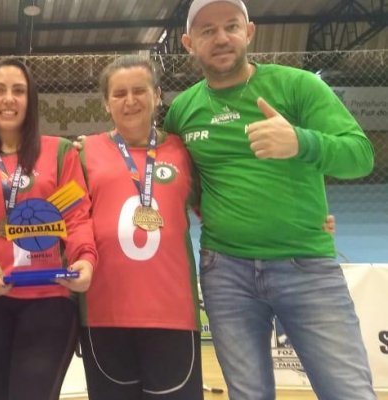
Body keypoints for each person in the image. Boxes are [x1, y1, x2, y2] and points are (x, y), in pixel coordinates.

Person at [164, 0, 377, 398]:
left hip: (306, 267)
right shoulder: (183, 109)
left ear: (250, 32)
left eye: (231, 26)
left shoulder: (298, 86)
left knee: (348, 391)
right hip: (225, 274)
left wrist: (301, 141)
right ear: (189, 43)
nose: (221, 37)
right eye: (208, 31)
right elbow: (182, 185)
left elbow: (360, 156)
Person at [0, 58, 97, 400]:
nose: (8, 99)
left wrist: (85, 259)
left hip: (49, 300)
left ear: (31, 100)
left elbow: (76, 218)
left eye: (19, 91)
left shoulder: (58, 152)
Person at [78, 55, 203, 400]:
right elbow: (64, 218)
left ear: (157, 95)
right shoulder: (83, 152)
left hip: (172, 315)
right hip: (104, 314)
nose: (130, 101)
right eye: (119, 94)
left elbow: (221, 206)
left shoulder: (183, 151)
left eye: (139, 90)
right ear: (106, 103)